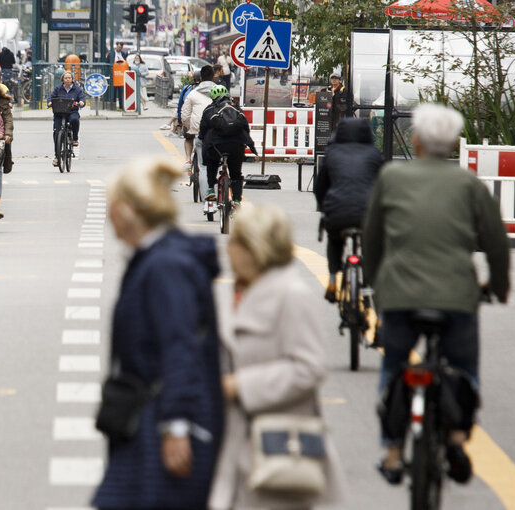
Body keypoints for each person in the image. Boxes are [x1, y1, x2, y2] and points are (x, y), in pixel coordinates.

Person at [363, 103, 510, 485]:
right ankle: (458, 438)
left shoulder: (391, 177)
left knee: (394, 365)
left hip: (399, 293)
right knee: (463, 367)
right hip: (456, 295)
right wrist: (497, 287)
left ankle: (393, 452)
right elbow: (495, 242)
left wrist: (375, 281)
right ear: (455, 144)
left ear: (415, 140)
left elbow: (373, 239)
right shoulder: (469, 184)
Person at [92, 158, 224, 510]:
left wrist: (176, 427)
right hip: (154, 417)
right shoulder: (164, 258)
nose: (108, 215)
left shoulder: (165, 266)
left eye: (111, 205)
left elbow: (180, 345)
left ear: (127, 210)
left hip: (163, 423)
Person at [209, 203, 344, 509]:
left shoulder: (290, 295)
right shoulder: (241, 291)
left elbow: (309, 367)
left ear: (253, 249)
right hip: (237, 445)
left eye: (235, 242)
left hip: (280, 448)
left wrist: (241, 385)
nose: (228, 249)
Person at [314, 117, 384, 302]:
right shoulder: (374, 154)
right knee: (372, 245)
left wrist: (323, 207)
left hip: (338, 211)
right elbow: (383, 185)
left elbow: (320, 187)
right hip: (369, 214)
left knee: (335, 240)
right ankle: (372, 283)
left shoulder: (332, 153)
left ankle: (332, 278)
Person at [198, 84, 257, 204]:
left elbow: (203, 130)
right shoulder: (236, 108)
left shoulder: (209, 109)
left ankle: (210, 189)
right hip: (236, 145)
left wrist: (202, 139)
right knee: (236, 174)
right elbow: (245, 127)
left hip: (216, 146)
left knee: (212, 163)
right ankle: (236, 200)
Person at [48, 70, 85, 167]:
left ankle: (75, 138)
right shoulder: (58, 89)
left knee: (75, 120)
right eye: (66, 78)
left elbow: (82, 98)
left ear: (72, 79)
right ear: (63, 80)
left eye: (69, 78)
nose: (68, 79)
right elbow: (51, 97)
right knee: (57, 133)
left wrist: (81, 102)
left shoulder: (77, 90)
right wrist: (49, 102)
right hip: (59, 112)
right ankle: (57, 156)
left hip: (72, 111)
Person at [180, 65, 216, 167]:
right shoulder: (221, 91)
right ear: (213, 77)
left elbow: (185, 115)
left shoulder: (192, 93)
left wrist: (189, 127)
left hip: (197, 128)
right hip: (217, 128)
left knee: (202, 165)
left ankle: (188, 160)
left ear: (201, 78)